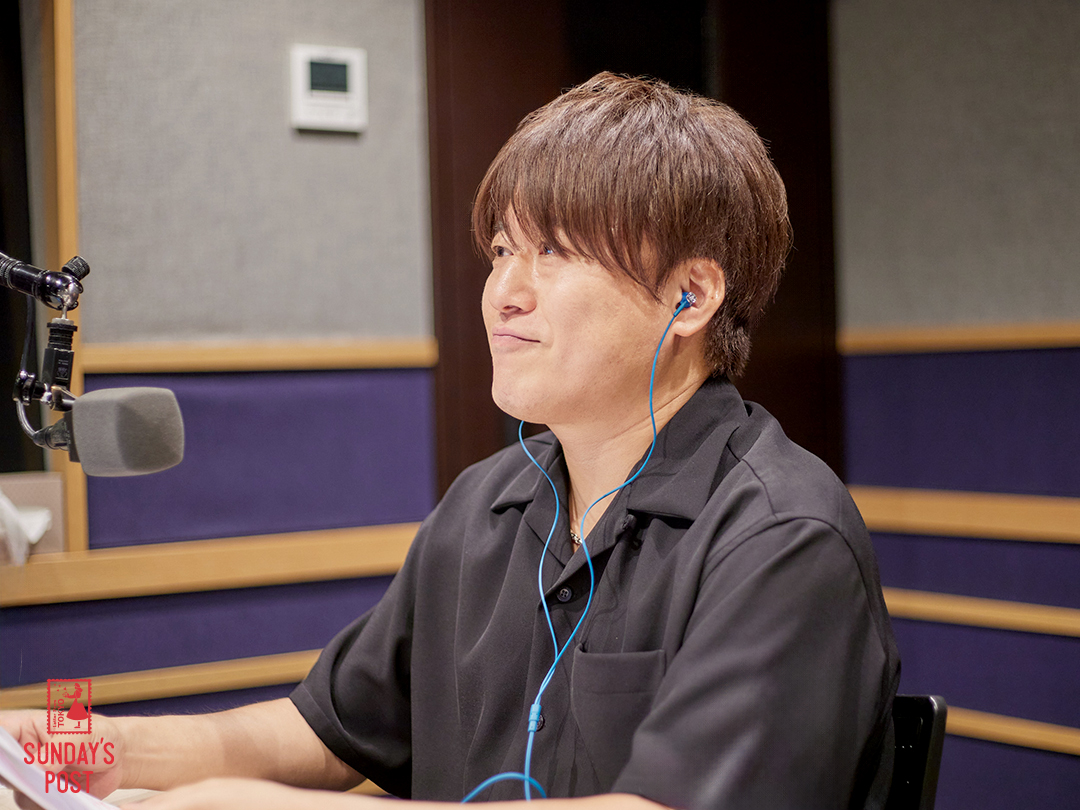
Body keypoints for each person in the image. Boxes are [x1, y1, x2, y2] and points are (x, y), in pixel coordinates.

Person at [2, 72, 899, 810]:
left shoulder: (783, 536)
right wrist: (98, 749)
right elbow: (323, 730)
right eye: (501, 252)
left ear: (689, 297)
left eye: (552, 252)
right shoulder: (486, 503)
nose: (504, 292)